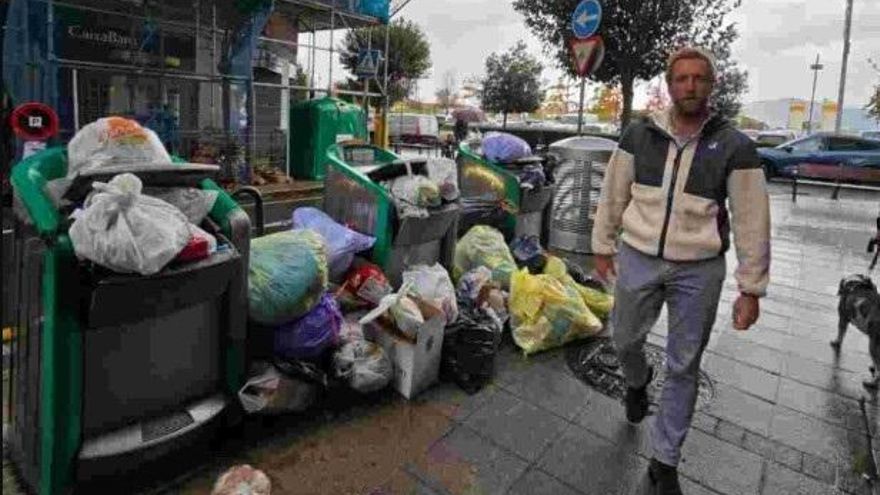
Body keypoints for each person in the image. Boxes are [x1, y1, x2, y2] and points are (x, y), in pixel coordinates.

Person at [591, 47, 770, 495]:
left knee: (684, 364)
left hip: (700, 269)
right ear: (669, 86)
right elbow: (614, 193)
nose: (690, 86)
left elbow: (751, 218)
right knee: (624, 338)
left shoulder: (735, 146)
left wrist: (751, 288)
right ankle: (637, 381)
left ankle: (665, 460)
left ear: (712, 85)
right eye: (681, 79)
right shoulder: (639, 134)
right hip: (638, 255)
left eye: (699, 79)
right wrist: (602, 244)